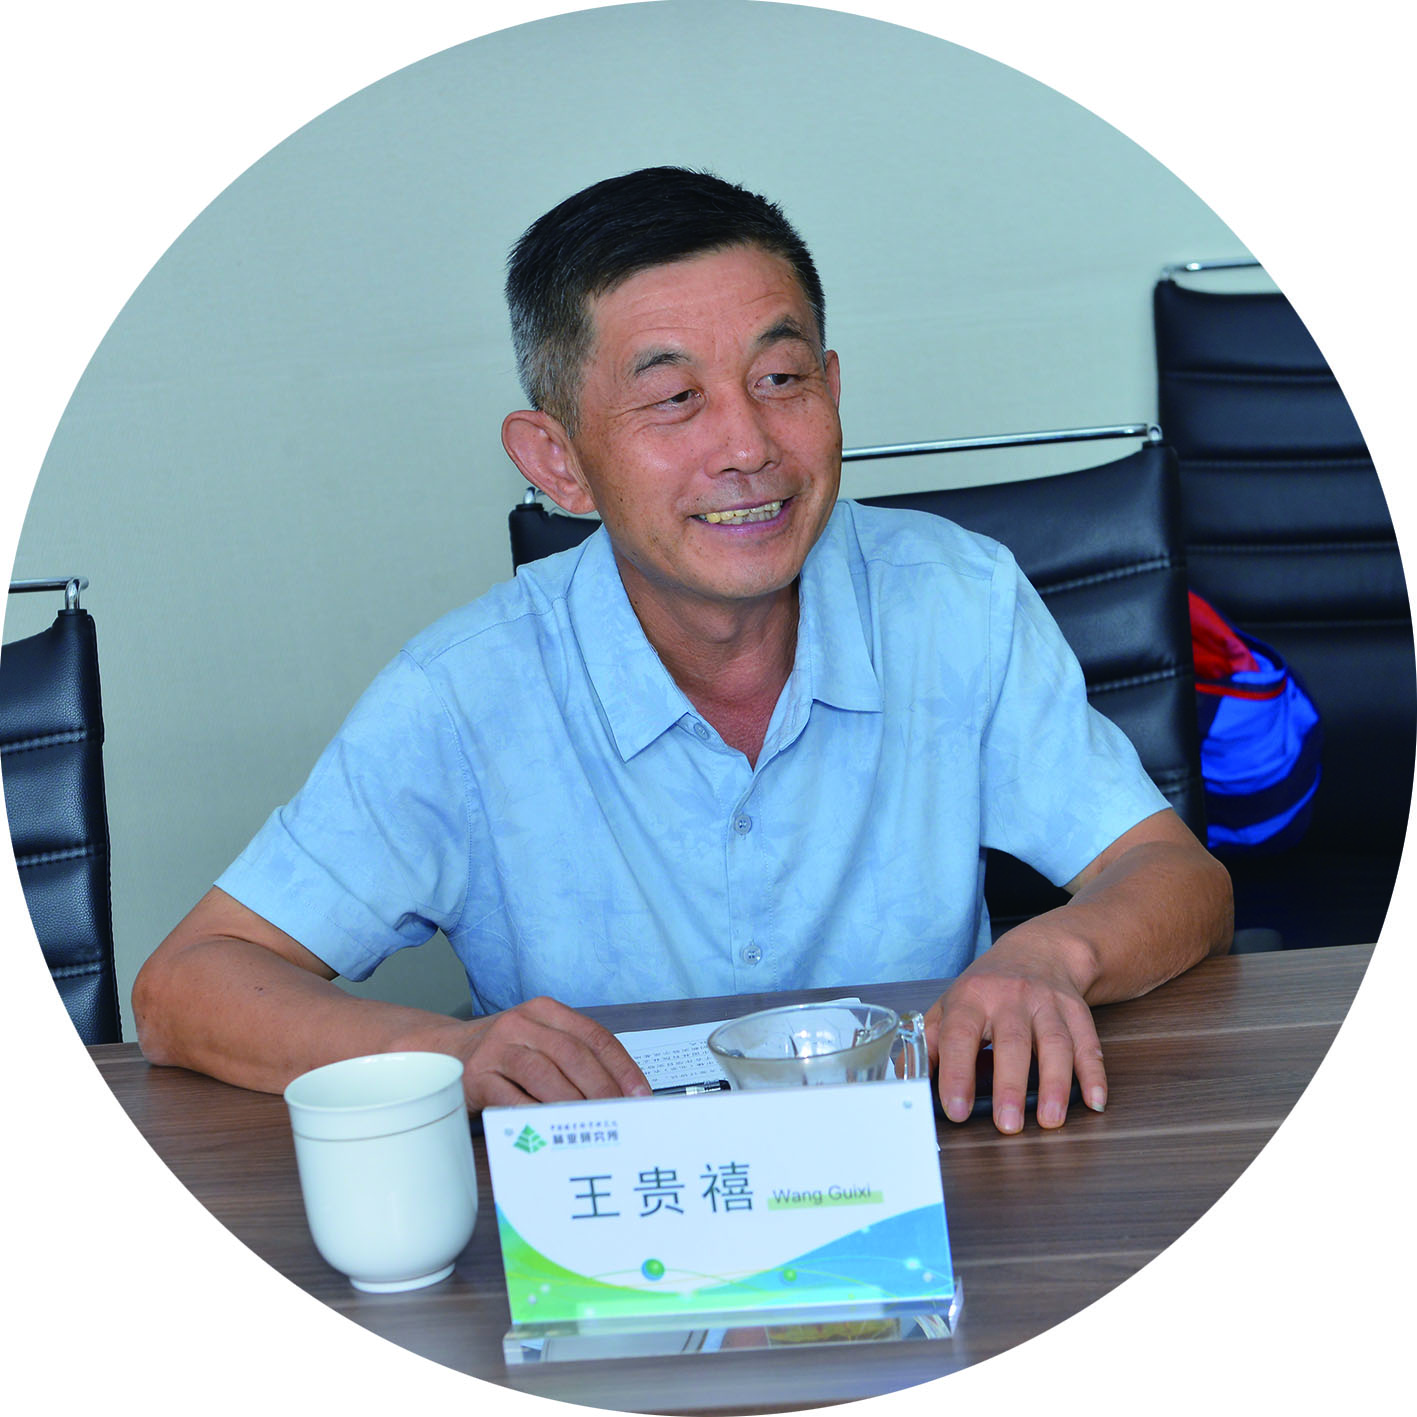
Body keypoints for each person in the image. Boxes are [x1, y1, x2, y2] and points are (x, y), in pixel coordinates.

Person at [134, 167, 1232, 1132]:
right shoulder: (463, 694)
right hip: (607, 1225)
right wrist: (450, 1054)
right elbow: (186, 987)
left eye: (780, 379)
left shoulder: (957, 601)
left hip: (929, 1181)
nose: (747, 446)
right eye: (672, 399)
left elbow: (1176, 877)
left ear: (832, 388)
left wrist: (1050, 954)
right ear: (557, 462)